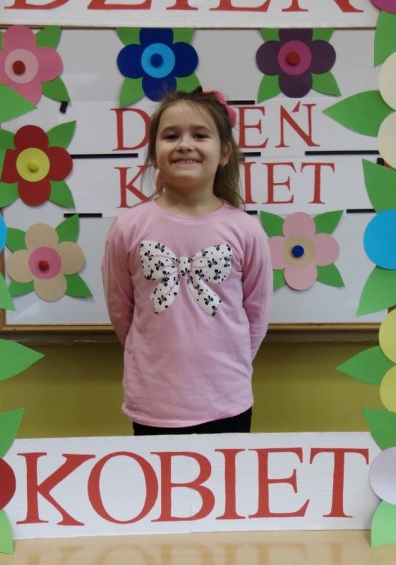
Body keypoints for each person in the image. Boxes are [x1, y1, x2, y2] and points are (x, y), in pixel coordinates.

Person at [102, 89, 273, 435]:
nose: (184, 145)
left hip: (228, 402)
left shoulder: (245, 230)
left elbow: (256, 317)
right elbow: (122, 313)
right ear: (154, 153)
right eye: (170, 136)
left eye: (199, 135)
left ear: (224, 152)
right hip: (153, 405)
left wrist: (228, 368)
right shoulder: (128, 227)